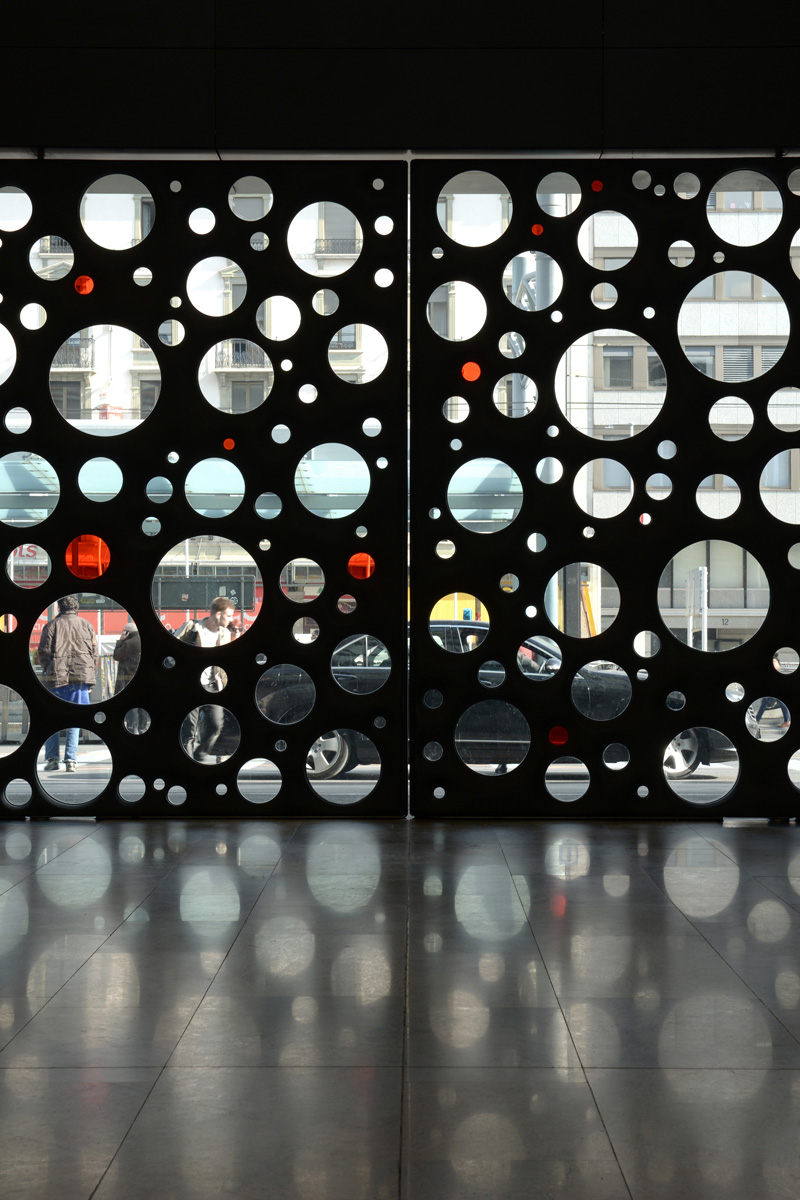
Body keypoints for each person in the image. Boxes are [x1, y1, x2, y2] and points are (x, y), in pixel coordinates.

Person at [38, 596, 98, 772]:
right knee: (75, 719)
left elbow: (43, 652)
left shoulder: (51, 626)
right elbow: (94, 653)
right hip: (80, 679)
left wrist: (48, 669)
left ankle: (52, 759)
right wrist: (90, 678)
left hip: (56, 678)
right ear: (76, 607)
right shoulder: (87, 625)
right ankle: (71, 760)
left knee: (52, 719)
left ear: (59, 608)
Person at [179, 598, 239, 761]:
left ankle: (201, 753)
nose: (231, 619)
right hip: (190, 684)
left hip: (212, 684)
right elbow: (173, 649)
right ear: (218, 614)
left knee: (216, 723)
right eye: (228, 615)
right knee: (189, 728)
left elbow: (226, 661)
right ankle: (189, 761)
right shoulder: (192, 627)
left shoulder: (224, 633)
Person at [113, 620, 147, 733]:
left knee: (132, 704)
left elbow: (117, 656)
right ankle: (143, 728)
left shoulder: (128, 643)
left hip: (128, 677)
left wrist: (120, 641)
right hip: (143, 679)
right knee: (142, 704)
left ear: (127, 632)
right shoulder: (144, 640)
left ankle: (133, 728)